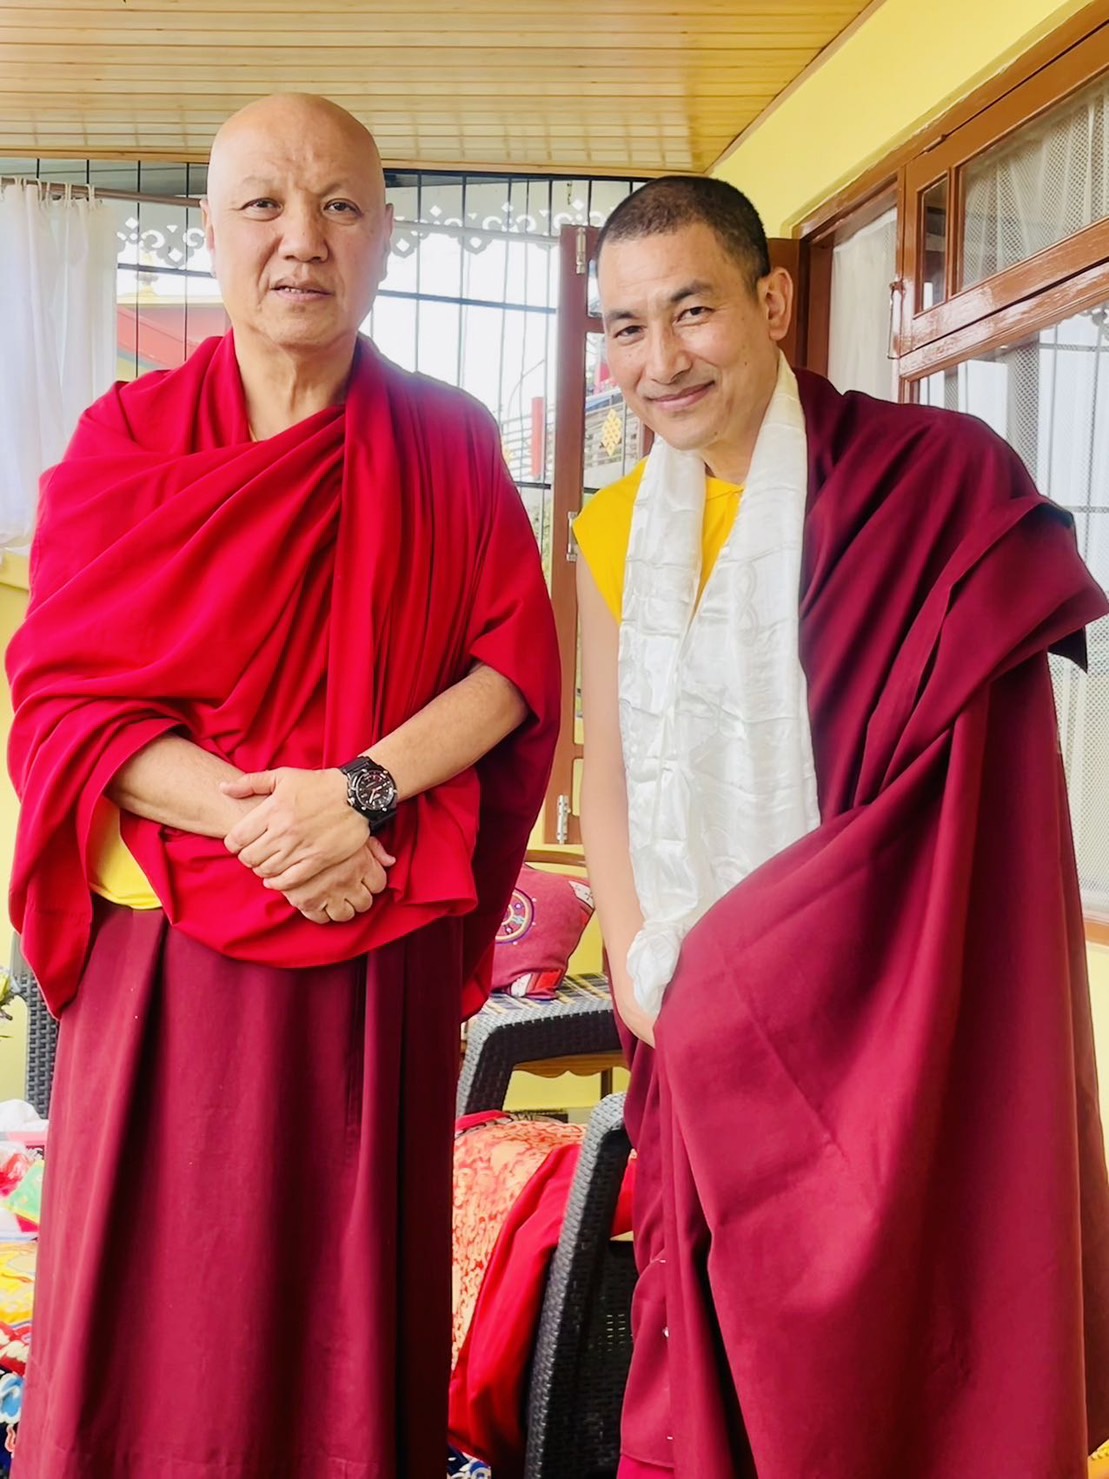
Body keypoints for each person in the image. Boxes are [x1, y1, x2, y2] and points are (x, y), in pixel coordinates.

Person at [6, 94, 559, 1478]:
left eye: (340, 206)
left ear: (384, 236)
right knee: (152, 1312)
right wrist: (278, 821)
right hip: (172, 960)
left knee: (340, 1313)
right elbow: (62, 701)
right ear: (208, 230)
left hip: (361, 956)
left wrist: (359, 790)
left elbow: (510, 669)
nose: (300, 240)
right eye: (263, 204)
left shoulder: (446, 437)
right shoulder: (124, 445)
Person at [574, 175, 1109, 1478]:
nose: (660, 360)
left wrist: (746, 985)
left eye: (690, 311)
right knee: (715, 1378)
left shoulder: (933, 487)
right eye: (627, 328)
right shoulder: (608, 526)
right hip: (691, 1033)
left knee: (896, 1376)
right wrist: (651, 980)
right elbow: (610, 771)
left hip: (888, 1026)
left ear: (770, 299)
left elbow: (964, 806)